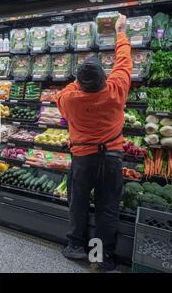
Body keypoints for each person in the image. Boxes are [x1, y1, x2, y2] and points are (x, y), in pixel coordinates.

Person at [56, 14, 132, 271]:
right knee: (107, 206)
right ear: (104, 80)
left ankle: (76, 246)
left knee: (77, 201)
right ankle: (103, 256)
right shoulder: (116, 89)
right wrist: (120, 32)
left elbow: (66, 90)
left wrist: (80, 78)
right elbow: (124, 63)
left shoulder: (69, 99)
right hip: (111, 158)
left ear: (79, 84)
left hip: (82, 158)